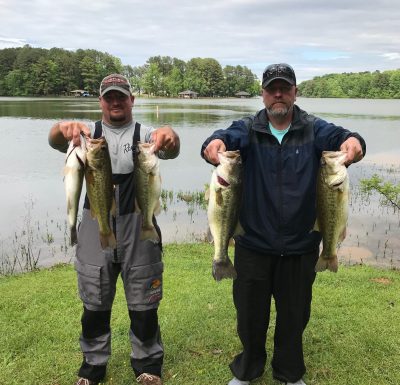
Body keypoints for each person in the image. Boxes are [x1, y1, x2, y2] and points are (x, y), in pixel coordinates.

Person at [201, 63, 366, 385]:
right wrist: (214, 142)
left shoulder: (314, 129)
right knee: (250, 316)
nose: (278, 94)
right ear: (262, 94)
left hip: (301, 245)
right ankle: (247, 371)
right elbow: (224, 136)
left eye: (285, 88)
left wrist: (354, 142)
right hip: (253, 245)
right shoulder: (248, 129)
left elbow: (343, 137)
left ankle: (290, 373)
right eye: (272, 89)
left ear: (295, 92)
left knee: (294, 316)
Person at [49, 74, 180, 385]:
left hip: (139, 219)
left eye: (121, 96)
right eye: (109, 97)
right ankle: (93, 367)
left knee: (144, 299)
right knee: (94, 299)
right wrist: (60, 129)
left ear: (131, 100)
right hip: (96, 217)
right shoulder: (86, 134)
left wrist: (171, 135)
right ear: (101, 102)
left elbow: (172, 148)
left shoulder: (146, 135)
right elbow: (55, 141)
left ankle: (147, 365)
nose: (116, 101)